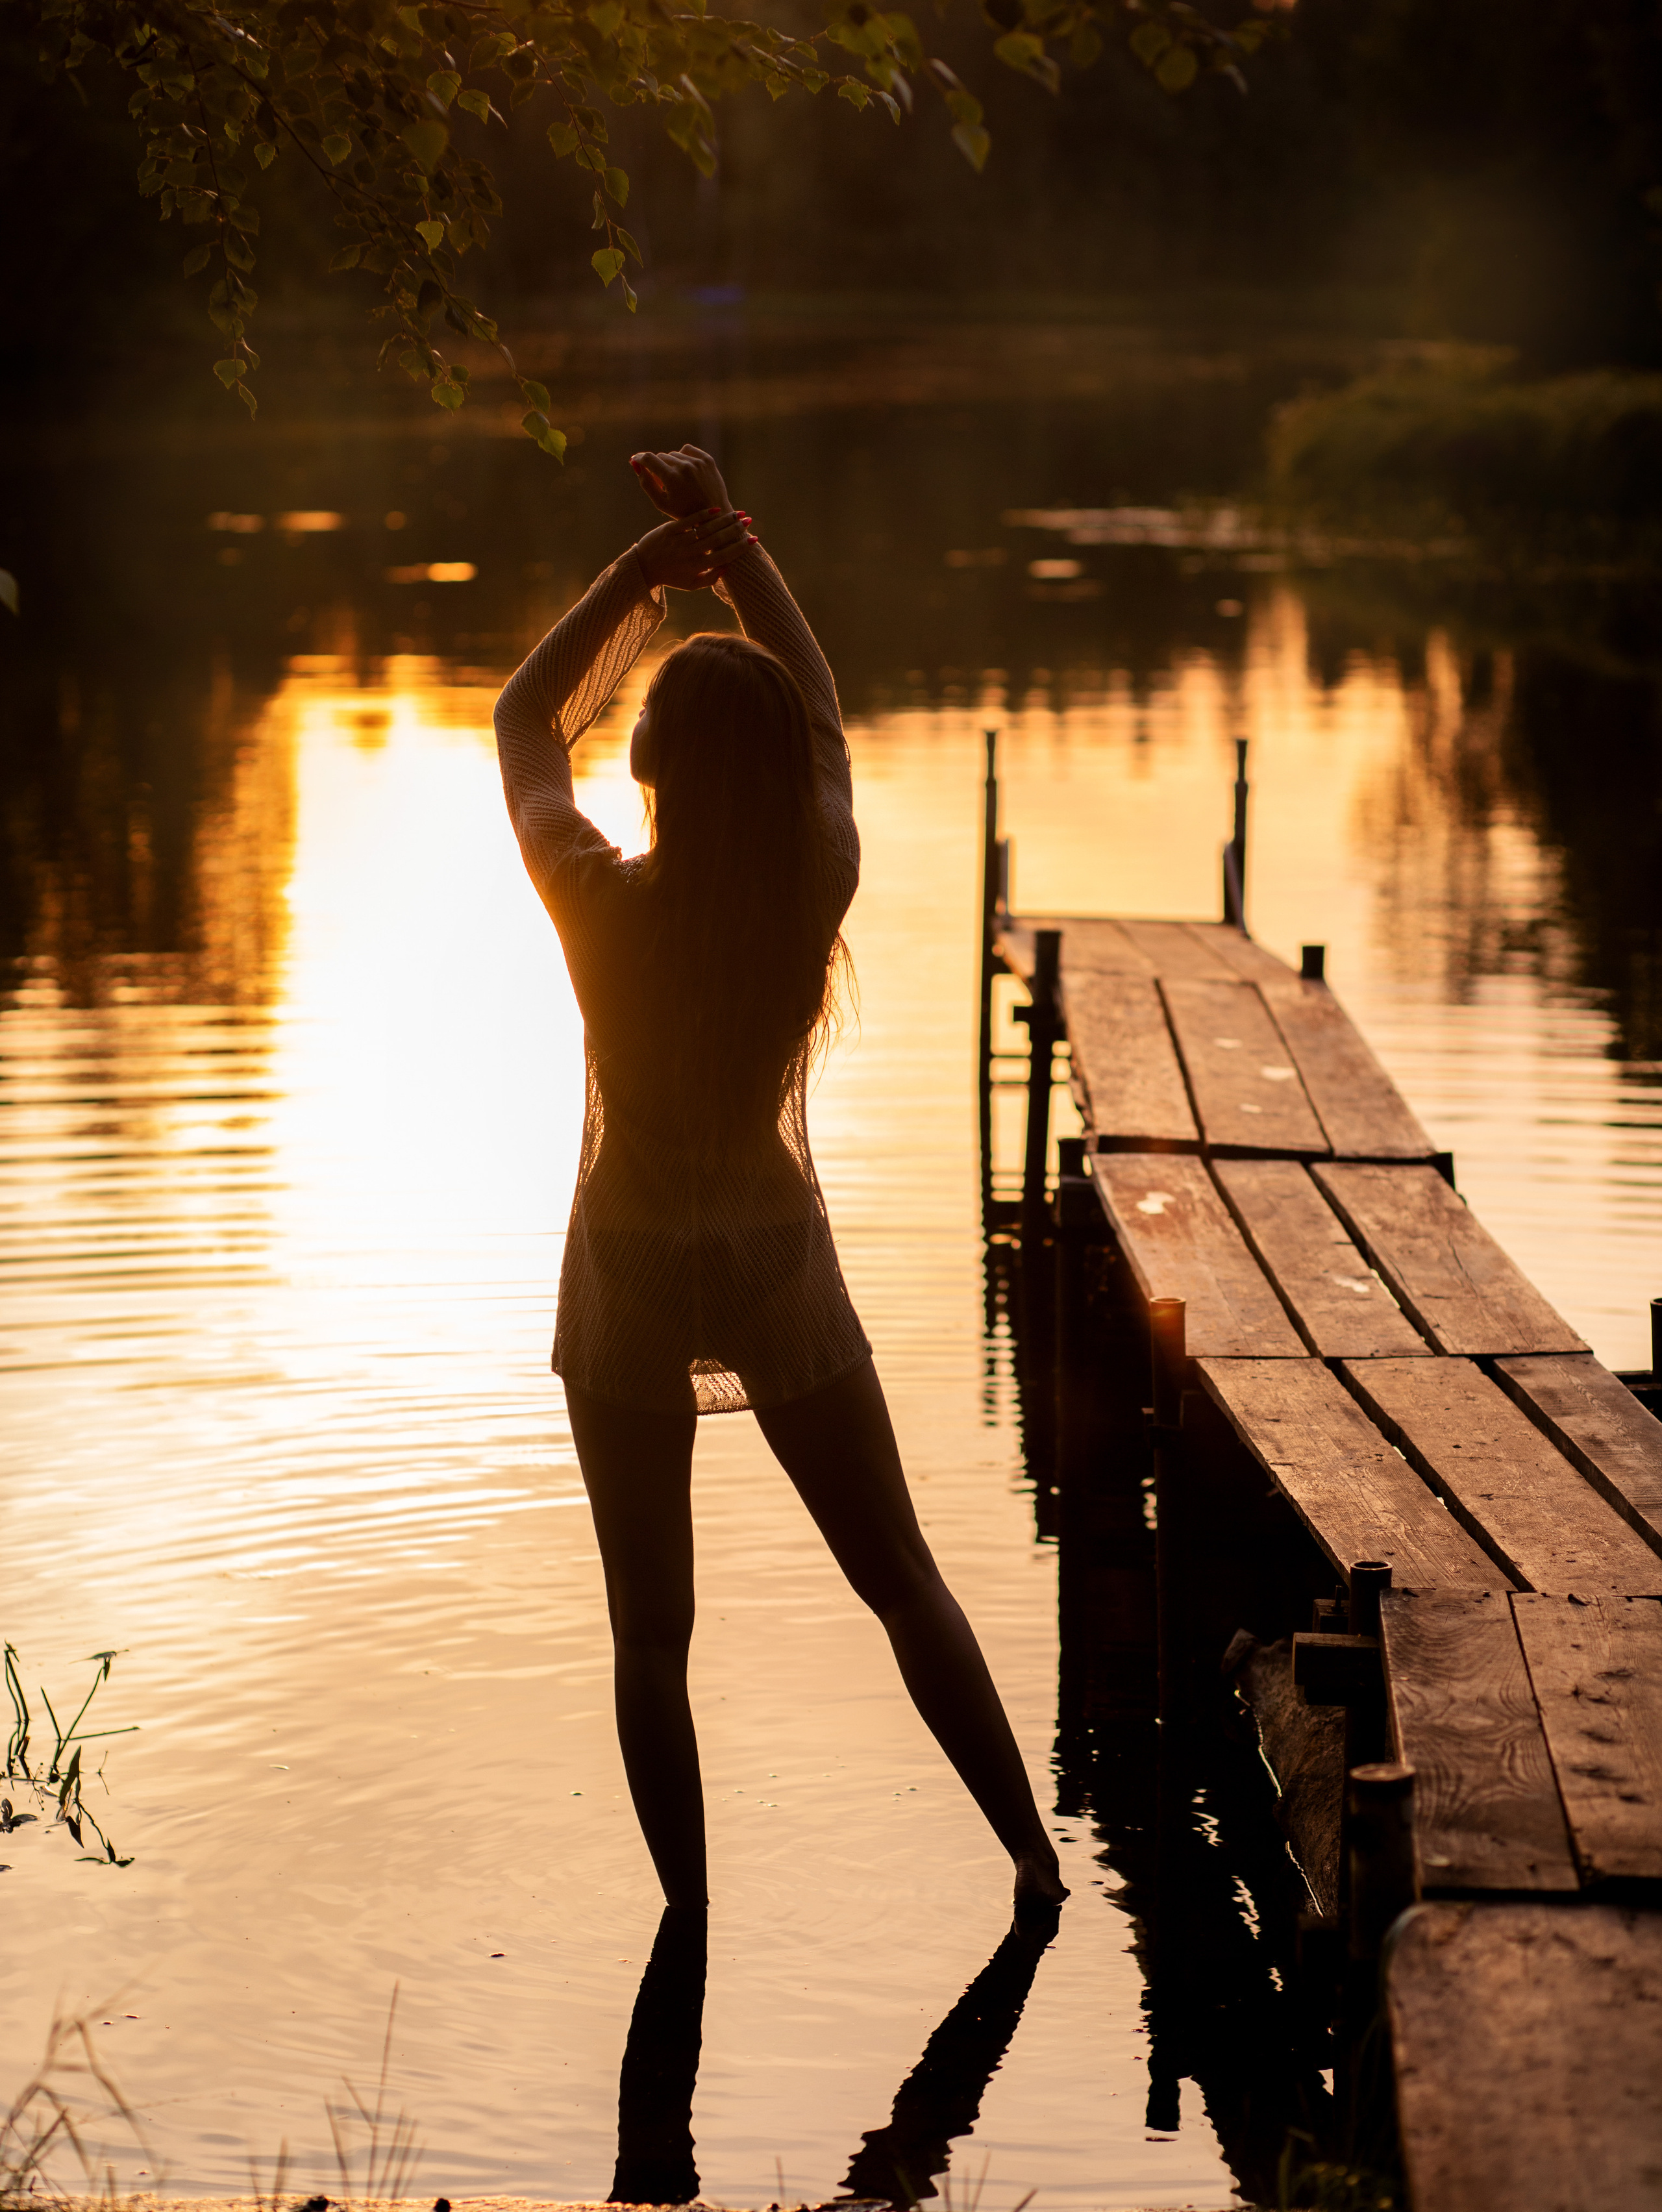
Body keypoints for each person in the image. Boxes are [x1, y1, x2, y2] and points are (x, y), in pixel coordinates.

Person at [493, 443, 1067, 1919]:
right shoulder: (815, 882)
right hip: (771, 1246)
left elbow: (519, 726)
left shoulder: (593, 900)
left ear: (656, 771)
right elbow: (816, 710)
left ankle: (686, 1919)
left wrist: (639, 572)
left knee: (648, 1636)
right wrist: (728, 539)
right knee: (899, 1575)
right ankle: (1030, 1861)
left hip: (625, 1263)